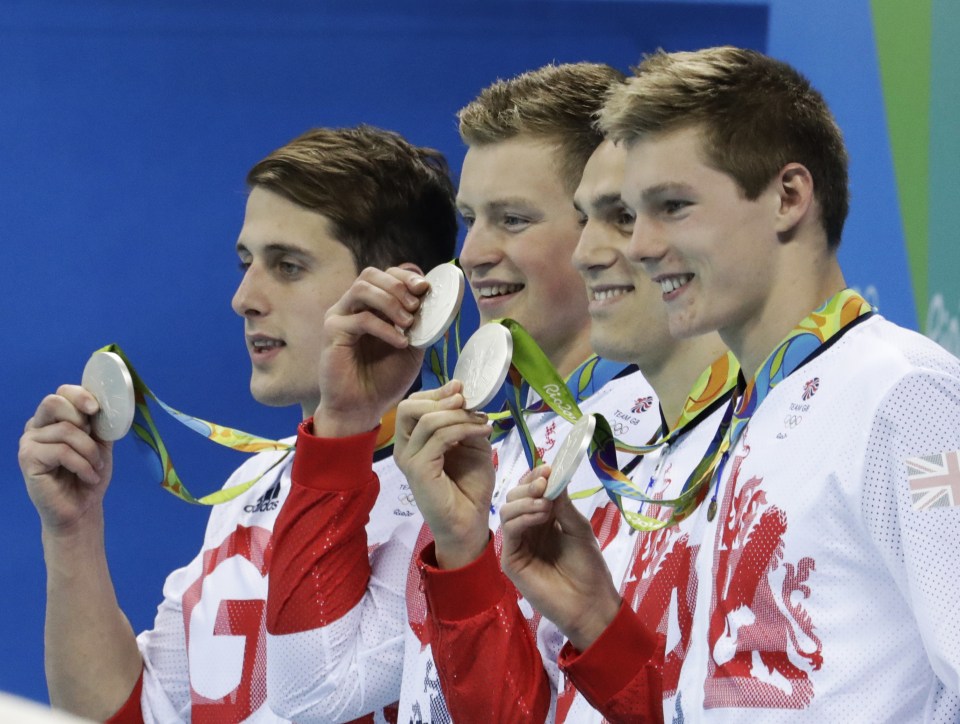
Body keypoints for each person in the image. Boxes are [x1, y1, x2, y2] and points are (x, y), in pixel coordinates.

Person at [503, 46, 960, 722]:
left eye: (673, 207)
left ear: (788, 197)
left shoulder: (905, 397)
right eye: (636, 212)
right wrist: (597, 616)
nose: (639, 246)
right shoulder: (752, 415)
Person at [17, 125, 458, 722]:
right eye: (248, 262)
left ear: (399, 294)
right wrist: (72, 533)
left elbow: (320, 701)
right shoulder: (252, 489)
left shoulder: (460, 496)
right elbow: (129, 716)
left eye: (288, 266)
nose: (244, 297)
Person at [392, 68, 663, 722]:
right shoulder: (478, 443)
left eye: (511, 219)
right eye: (470, 220)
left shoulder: (652, 446)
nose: (474, 253)